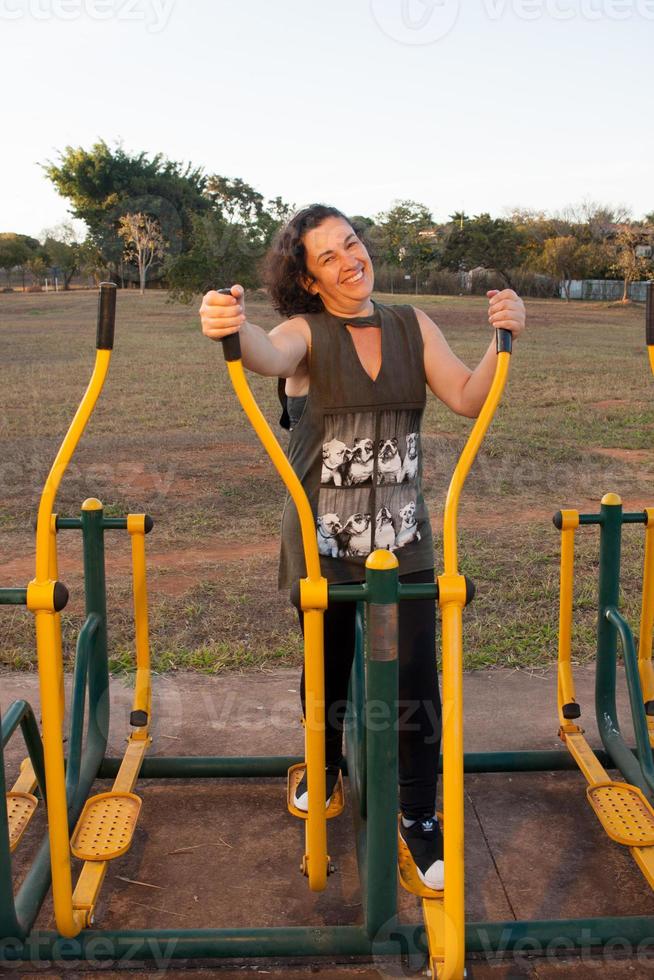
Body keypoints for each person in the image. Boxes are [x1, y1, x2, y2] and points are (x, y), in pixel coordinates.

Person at [200, 204, 526, 891]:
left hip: (401, 543)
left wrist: (503, 339)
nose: (350, 259)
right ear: (310, 280)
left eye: (351, 243)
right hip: (324, 545)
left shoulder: (413, 324)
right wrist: (232, 327)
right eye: (328, 257)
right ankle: (323, 770)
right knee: (330, 666)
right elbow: (265, 352)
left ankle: (416, 813)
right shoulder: (304, 334)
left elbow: (468, 396)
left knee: (414, 677)